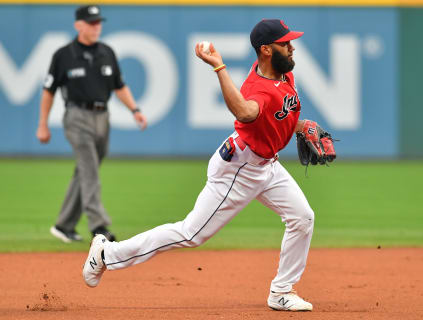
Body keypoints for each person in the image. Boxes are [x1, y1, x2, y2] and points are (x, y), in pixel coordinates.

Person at [83, 19, 322, 311]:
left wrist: (302, 125)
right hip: (241, 169)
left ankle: (281, 291)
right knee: (191, 233)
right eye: (285, 43)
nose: (292, 46)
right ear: (266, 50)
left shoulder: (283, 75)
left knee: (302, 217)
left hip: (268, 165)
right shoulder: (256, 88)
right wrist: (219, 68)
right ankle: (106, 254)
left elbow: (275, 118)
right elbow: (246, 112)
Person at [36, 5, 147, 243]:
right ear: (78, 25)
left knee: (86, 170)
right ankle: (99, 226)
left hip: (102, 116)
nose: (96, 27)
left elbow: (119, 85)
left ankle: (63, 225)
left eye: (98, 22)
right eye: (91, 22)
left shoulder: (107, 52)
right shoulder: (63, 55)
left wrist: (135, 109)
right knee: (90, 168)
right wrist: (42, 124)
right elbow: (48, 91)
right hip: (77, 117)